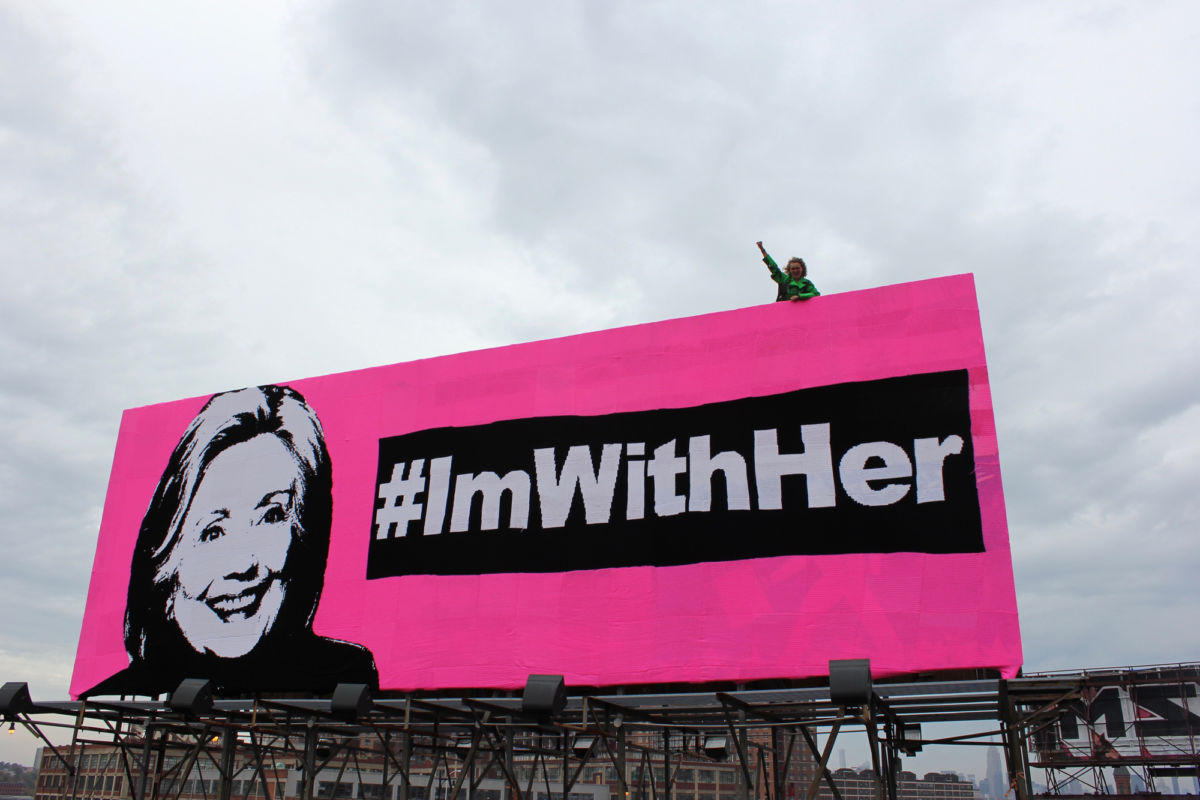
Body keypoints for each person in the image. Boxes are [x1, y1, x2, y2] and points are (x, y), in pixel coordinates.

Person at [84, 385, 377, 697]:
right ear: (166, 560)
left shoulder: (345, 675)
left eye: (271, 516)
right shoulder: (107, 702)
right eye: (213, 532)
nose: (242, 565)